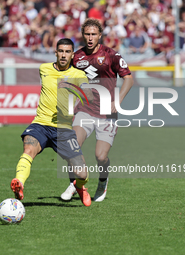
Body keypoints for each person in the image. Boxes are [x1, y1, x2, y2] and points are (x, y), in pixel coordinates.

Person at [11, 38, 92, 207]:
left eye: (67, 52)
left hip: (63, 128)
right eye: (60, 51)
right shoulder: (44, 69)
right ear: (55, 53)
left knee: (82, 173)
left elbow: (88, 96)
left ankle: (80, 187)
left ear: (72, 55)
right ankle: (19, 183)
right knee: (28, 149)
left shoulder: (78, 75)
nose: (63, 55)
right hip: (40, 124)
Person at [60, 18, 133, 202]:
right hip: (84, 110)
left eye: (94, 34)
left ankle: (103, 181)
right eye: (87, 34)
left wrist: (118, 100)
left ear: (100, 35)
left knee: (101, 156)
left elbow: (129, 79)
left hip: (107, 114)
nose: (90, 37)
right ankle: (74, 184)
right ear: (83, 35)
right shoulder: (76, 57)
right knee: (72, 147)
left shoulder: (111, 55)